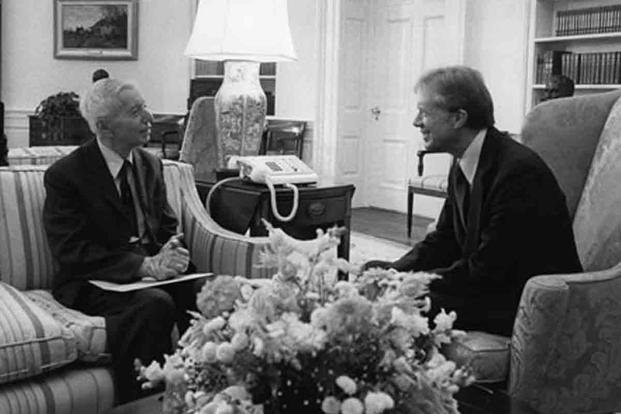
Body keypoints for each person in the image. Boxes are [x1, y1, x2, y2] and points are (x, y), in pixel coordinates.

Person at [363, 66, 582, 336]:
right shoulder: (465, 159)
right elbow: (444, 239)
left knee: (402, 304)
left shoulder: (517, 173)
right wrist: (393, 272)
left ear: (458, 118)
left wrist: (407, 284)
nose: (416, 122)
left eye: (425, 112)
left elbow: (488, 270)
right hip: (488, 285)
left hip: (523, 302)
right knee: (373, 273)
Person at [43, 78, 199, 402]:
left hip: (146, 274)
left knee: (205, 290)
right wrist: (143, 266)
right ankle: (146, 403)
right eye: (136, 111)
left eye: (145, 107)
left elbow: (169, 227)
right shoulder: (65, 175)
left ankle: (202, 390)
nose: (150, 118)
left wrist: (173, 252)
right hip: (93, 281)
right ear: (105, 127)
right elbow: (72, 252)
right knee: (155, 305)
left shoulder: (150, 164)